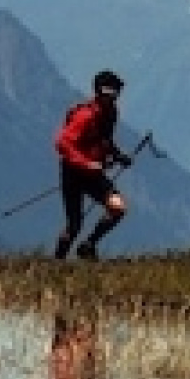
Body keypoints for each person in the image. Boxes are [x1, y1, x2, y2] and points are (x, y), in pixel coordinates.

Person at [53, 70, 130, 260]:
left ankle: (89, 245)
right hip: (73, 173)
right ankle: (57, 262)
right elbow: (62, 143)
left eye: (117, 93)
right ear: (100, 92)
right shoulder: (84, 116)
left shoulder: (111, 113)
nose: (115, 97)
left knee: (118, 208)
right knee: (75, 225)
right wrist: (87, 163)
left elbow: (105, 140)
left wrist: (118, 156)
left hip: (92, 173)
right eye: (112, 93)